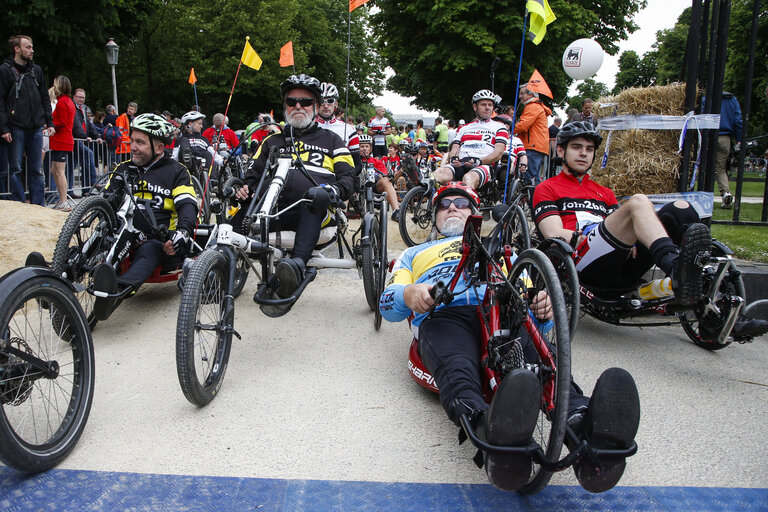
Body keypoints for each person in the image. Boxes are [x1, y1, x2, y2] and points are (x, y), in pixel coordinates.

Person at [380, 181, 641, 493]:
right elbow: (388, 303)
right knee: (458, 366)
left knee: (541, 361)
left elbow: (535, 312)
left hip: (503, 311)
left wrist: (542, 310)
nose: (452, 208)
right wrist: (409, 293)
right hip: (445, 315)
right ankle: (487, 428)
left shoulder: (503, 252)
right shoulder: (414, 253)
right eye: (445, 204)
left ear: (475, 213)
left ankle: (584, 423)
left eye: (461, 204)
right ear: (434, 215)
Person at [233, 74, 356, 302]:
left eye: (305, 102)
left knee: (314, 195)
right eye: (291, 102)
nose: (298, 106)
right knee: (236, 216)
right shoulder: (271, 142)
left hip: (314, 212)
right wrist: (244, 188)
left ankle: (296, 268)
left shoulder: (332, 141)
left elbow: (348, 177)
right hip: (270, 211)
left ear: (316, 106)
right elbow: (252, 176)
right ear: (285, 107)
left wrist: (333, 191)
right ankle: (213, 266)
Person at [91, 113, 198, 320]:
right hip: (121, 232)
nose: (133, 147)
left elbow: (187, 205)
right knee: (98, 240)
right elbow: (105, 201)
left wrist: (182, 232)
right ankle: (60, 276)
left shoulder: (176, 171)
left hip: (157, 239)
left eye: (140, 142)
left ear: (159, 147)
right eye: (132, 141)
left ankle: (118, 291)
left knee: (148, 251)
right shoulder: (123, 169)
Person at [0, 35, 54, 205]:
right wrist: (4, 128)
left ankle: (39, 204)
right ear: (17, 49)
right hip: (16, 126)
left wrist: (49, 122)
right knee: (15, 168)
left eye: (31, 47)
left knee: (37, 168)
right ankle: (18, 204)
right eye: (28, 47)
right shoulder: (5, 70)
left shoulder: (36, 71)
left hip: (35, 126)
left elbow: (45, 97)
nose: (32, 50)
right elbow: (0, 100)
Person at [436, 89, 508, 190]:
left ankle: (463, 205)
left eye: (490, 105)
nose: (487, 108)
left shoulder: (500, 127)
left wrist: (479, 161)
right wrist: (453, 158)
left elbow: (498, 153)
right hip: (460, 164)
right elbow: (455, 148)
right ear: (475, 107)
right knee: (437, 175)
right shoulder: (464, 128)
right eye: (483, 104)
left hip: (483, 165)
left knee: (468, 179)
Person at [316, 82, 361, 173]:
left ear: (336, 103)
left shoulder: (349, 129)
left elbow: (357, 165)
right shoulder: (306, 127)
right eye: (322, 101)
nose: (326, 105)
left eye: (330, 101)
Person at [514, 84, 551, 185]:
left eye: (522, 93)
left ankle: (531, 199)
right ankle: (534, 199)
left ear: (530, 94)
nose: (520, 96)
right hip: (537, 146)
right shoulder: (537, 106)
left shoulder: (532, 106)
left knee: (528, 177)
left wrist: (507, 131)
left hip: (532, 146)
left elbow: (523, 125)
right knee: (534, 177)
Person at [358, 133, 401, 219]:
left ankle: (396, 211)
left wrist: (379, 176)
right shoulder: (353, 161)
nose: (364, 149)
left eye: (367, 146)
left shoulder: (377, 162)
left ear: (370, 149)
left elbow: (384, 176)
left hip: (373, 186)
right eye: (362, 146)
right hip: (356, 187)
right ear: (358, 148)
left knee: (386, 181)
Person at [48, 75, 74, 211]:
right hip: (61, 140)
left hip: (61, 140)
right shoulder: (67, 101)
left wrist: (49, 125)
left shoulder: (63, 102)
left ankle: (63, 201)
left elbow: (62, 122)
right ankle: (62, 199)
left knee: (59, 171)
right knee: (55, 170)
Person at [72, 88, 102, 192]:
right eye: (79, 97)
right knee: (88, 154)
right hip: (75, 138)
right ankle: (93, 182)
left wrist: (96, 136)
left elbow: (89, 123)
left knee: (74, 163)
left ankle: (84, 190)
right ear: (74, 97)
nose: (81, 99)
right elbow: (76, 124)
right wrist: (84, 136)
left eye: (83, 97)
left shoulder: (84, 108)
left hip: (81, 139)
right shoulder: (73, 107)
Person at [715, 92, 742, 209]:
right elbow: (737, 120)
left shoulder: (707, 98)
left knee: (701, 167)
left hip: (708, 135)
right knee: (720, 168)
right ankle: (725, 193)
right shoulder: (732, 100)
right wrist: (738, 138)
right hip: (725, 137)